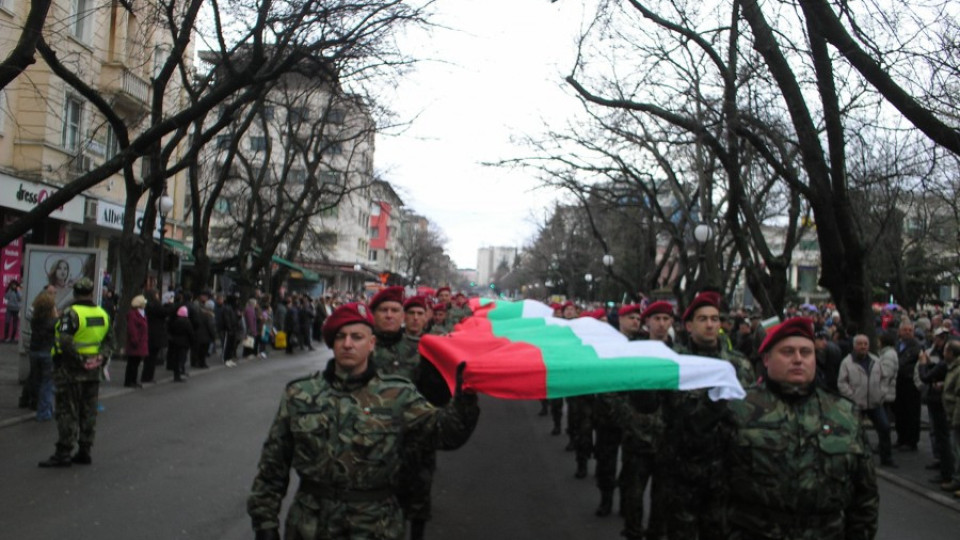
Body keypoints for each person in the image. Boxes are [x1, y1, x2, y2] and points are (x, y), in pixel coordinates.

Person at [246, 303, 480, 540]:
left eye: (357, 337)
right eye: (340, 337)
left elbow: (446, 434)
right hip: (311, 525)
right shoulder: (300, 394)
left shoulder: (398, 395)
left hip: (375, 525)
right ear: (332, 343)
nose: (348, 344)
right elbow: (273, 465)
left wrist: (465, 396)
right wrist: (264, 522)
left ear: (371, 344)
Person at [719, 318, 879, 538]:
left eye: (806, 352)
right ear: (766, 359)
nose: (798, 360)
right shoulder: (738, 410)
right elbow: (714, 488)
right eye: (787, 352)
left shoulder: (844, 414)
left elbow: (865, 496)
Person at [661, 290, 754, 540]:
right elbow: (678, 415)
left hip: (727, 473)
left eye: (714, 319)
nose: (711, 324)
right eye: (703, 319)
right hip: (683, 473)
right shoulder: (675, 363)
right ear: (689, 325)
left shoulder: (739, 364)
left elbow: (750, 411)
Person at [610, 301, 673, 539]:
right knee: (633, 493)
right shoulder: (633, 350)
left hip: (668, 439)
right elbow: (615, 388)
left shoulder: (680, 352)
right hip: (637, 437)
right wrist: (631, 420)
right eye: (656, 319)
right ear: (647, 322)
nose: (661, 324)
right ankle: (633, 531)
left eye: (666, 319)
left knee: (663, 497)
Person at [38, 278, 113, 468]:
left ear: (75, 293)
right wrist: (99, 359)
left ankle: (63, 452)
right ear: (90, 292)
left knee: (67, 411)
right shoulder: (102, 314)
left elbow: (64, 341)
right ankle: (85, 450)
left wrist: (79, 359)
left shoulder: (71, 313)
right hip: (93, 372)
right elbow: (109, 342)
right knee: (88, 412)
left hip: (70, 372)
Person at [837, 334, 896, 467]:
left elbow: (884, 378)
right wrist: (851, 396)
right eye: (860, 344)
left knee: (885, 428)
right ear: (854, 346)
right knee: (855, 431)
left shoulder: (875, 360)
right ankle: (855, 459)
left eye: (865, 344)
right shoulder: (847, 362)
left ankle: (886, 458)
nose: (863, 346)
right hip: (856, 403)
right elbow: (841, 383)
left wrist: (882, 392)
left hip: (875, 402)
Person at [893, 321, 923, 450]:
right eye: (905, 330)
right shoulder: (897, 344)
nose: (907, 332)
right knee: (900, 412)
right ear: (900, 332)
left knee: (911, 413)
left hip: (910, 383)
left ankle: (911, 441)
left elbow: (904, 362)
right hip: (898, 383)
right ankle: (901, 438)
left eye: (910, 330)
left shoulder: (916, 346)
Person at [29, 289, 58, 421]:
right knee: (47, 383)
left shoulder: (35, 320)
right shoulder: (53, 322)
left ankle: (40, 406)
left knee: (38, 380)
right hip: (47, 352)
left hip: (34, 351)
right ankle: (44, 411)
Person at [939, 339, 960, 496]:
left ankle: (957, 480)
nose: (943, 353)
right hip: (952, 413)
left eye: (946, 350)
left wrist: (956, 419)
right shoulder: (953, 367)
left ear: (951, 353)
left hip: (957, 416)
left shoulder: (958, 369)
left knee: (957, 449)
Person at [124, 294, 149, 389]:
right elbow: (132, 329)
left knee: (136, 363)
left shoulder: (141, 313)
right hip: (136, 342)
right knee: (132, 363)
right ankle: (129, 381)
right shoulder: (133, 314)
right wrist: (135, 340)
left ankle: (133, 380)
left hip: (140, 342)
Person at [166, 306, 194, 382]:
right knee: (182, 358)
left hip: (175, 342)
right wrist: (192, 342)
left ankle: (176, 375)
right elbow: (190, 333)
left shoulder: (174, 321)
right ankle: (180, 372)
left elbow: (170, 330)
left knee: (176, 358)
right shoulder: (187, 322)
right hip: (184, 342)